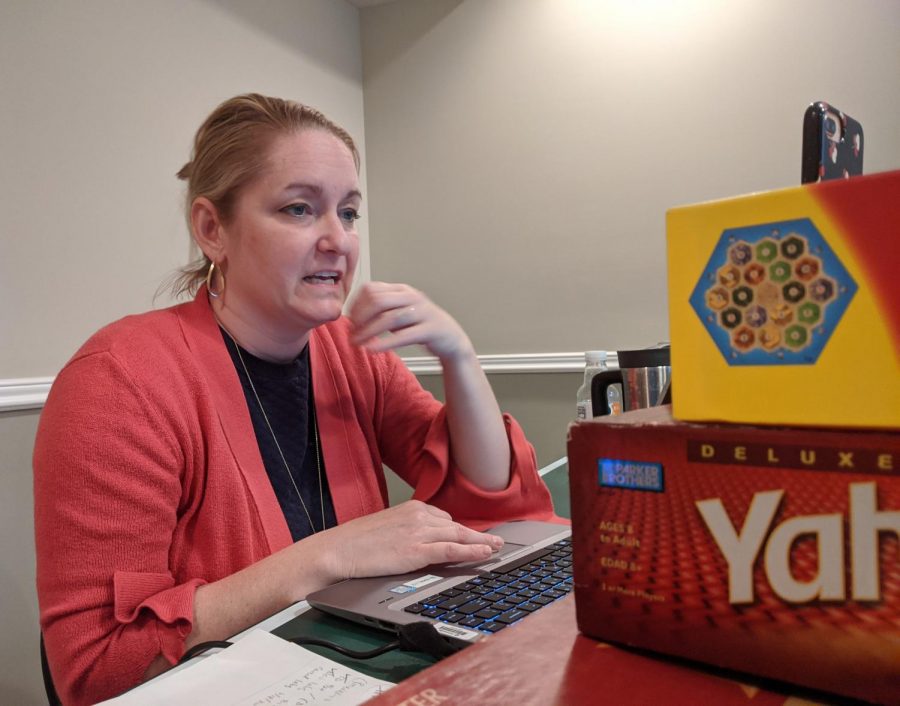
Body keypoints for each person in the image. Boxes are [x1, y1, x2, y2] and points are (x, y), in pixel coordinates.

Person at [33, 93, 557, 706]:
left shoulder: (351, 351)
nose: (339, 240)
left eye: (350, 212)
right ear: (212, 229)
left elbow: (489, 495)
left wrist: (459, 356)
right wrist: (330, 555)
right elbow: (97, 667)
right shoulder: (120, 381)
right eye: (300, 209)